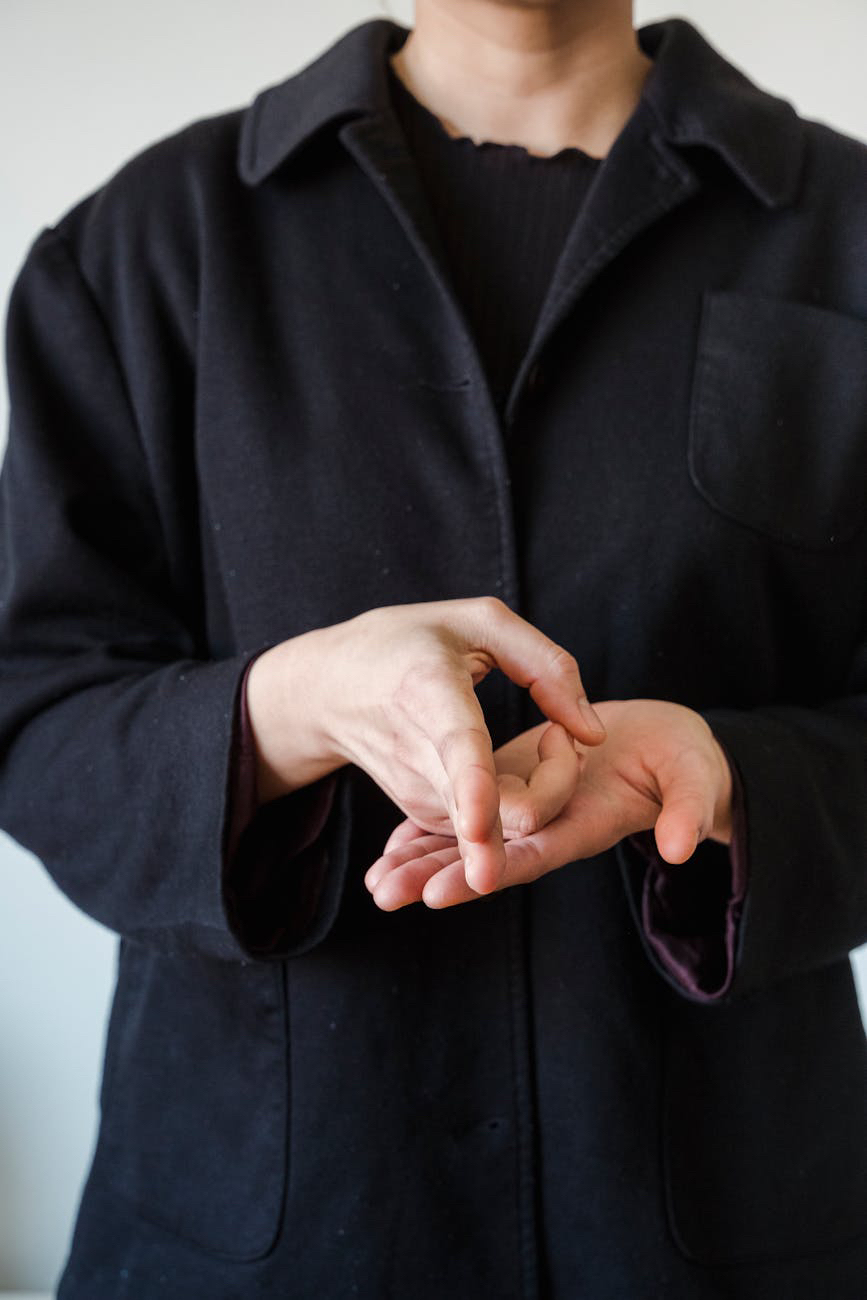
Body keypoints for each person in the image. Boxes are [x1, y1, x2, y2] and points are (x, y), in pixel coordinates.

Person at [1, 0, 866, 1295]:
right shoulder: (147, 243)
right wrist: (287, 709)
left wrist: (724, 775)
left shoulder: (848, 231)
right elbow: (34, 705)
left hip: (727, 1225)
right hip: (259, 1230)